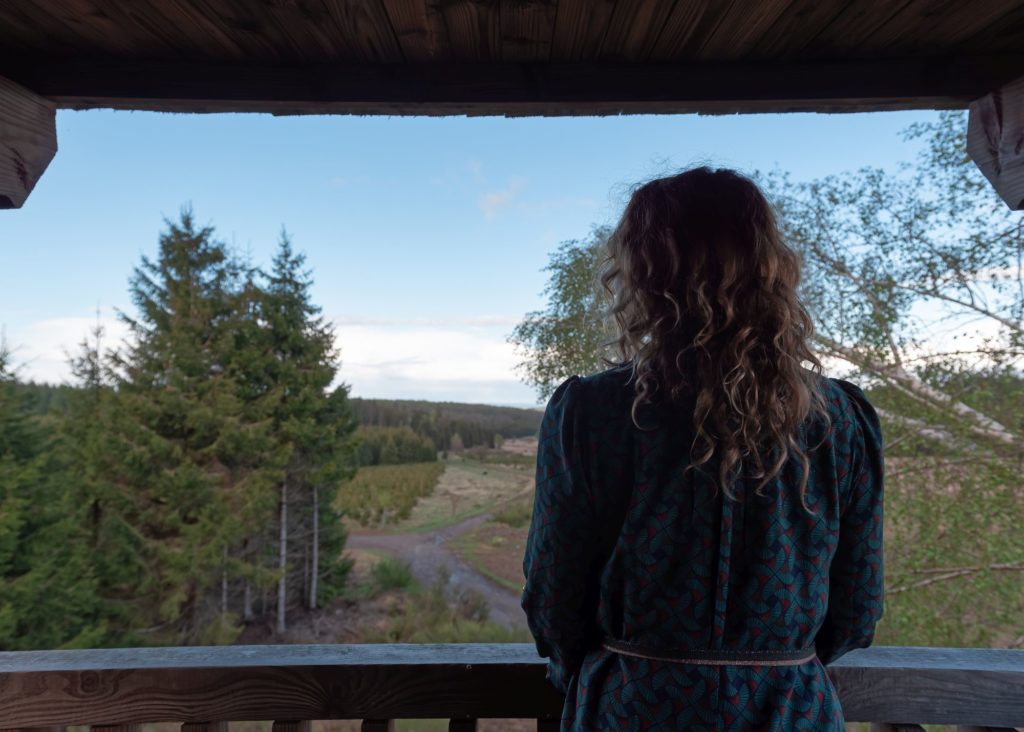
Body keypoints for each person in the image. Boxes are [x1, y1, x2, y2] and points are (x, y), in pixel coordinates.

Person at [521, 166, 884, 731]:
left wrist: (607, 671)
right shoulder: (840, 420)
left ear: (643, 274)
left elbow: (554, 598)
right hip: (789, 709)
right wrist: (772, 664)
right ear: (770, 269)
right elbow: (857, 612)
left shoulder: (589, 414)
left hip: (634, 707)